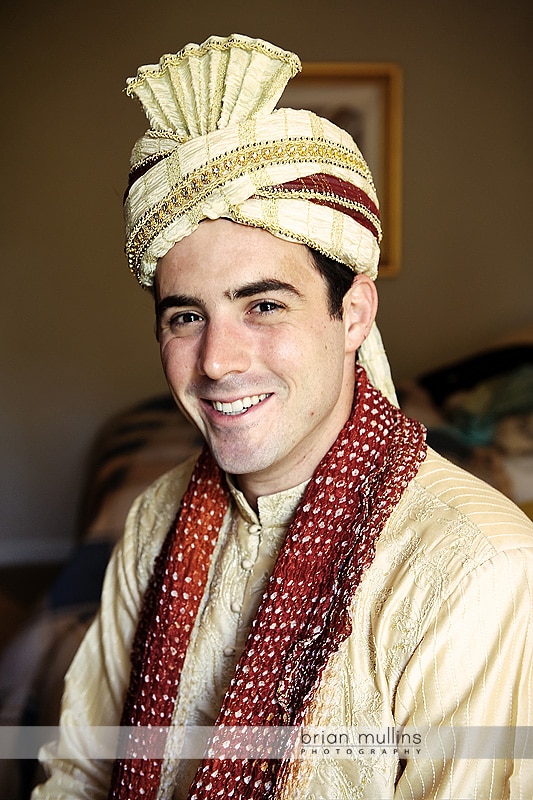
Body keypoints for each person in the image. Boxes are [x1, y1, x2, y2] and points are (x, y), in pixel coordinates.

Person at [32, 34, 533, 800]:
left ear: (353, 312)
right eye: (184, 317)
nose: (217, 362)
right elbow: (80, 771)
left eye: (263, 305)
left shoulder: (475, 569)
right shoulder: (153, 519)